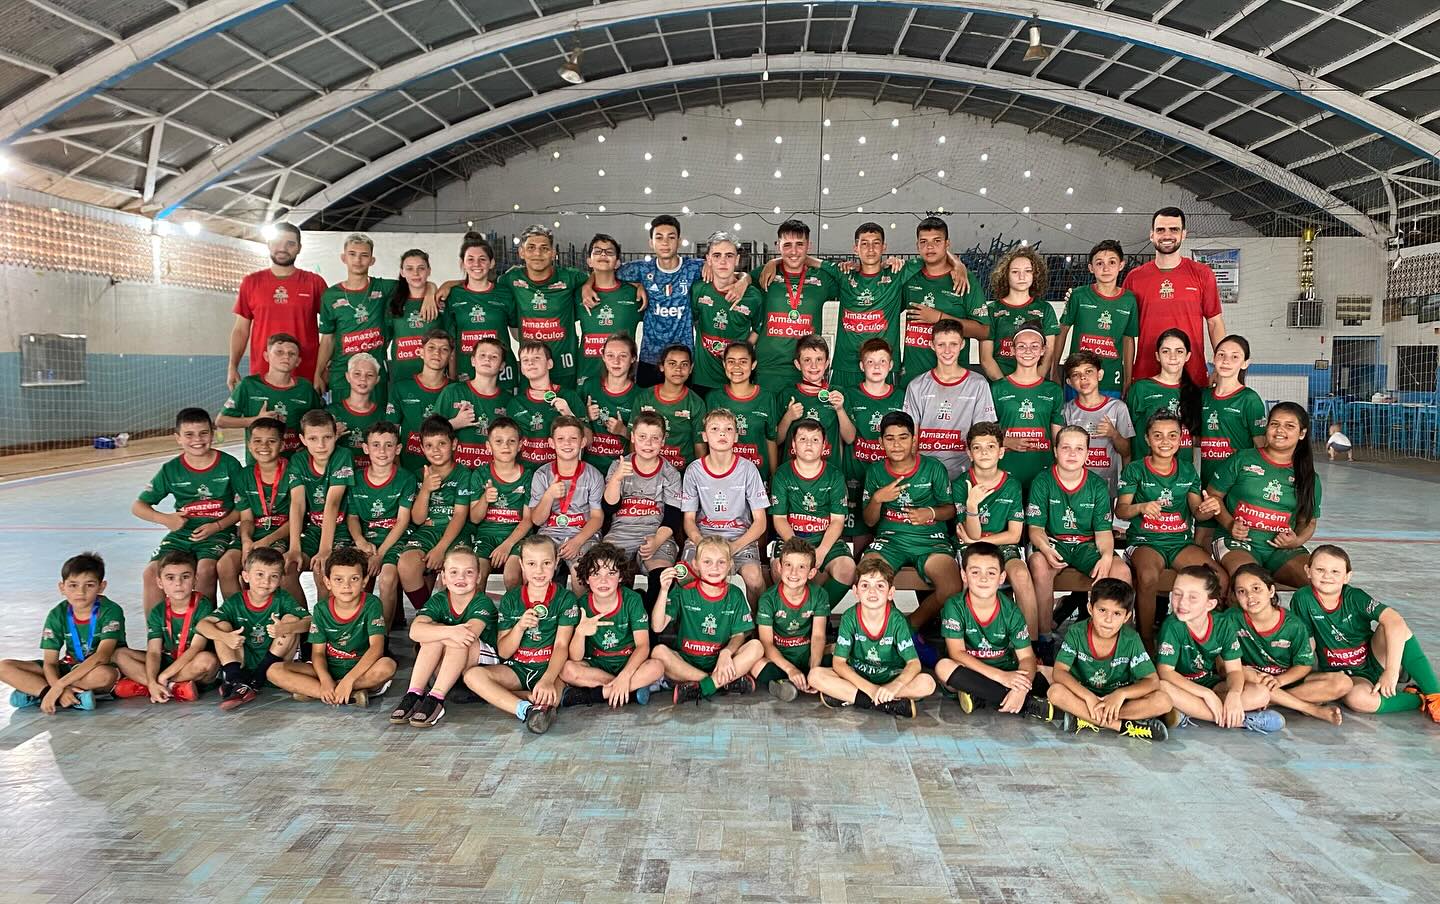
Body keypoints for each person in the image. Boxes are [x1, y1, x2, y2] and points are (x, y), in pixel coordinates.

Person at [757, 222, 965, 388]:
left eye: (876, 243)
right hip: (845, 367)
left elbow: (933, 254)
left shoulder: (896, 272)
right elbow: (807, 260)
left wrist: (958, 264)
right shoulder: (843, 273)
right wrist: (773, 262)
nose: (871, 249)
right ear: (855, 248)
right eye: (864, 243)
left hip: (883, 367)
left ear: (884, 247)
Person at [1290, 545, 1440, 720]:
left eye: (1335, 571)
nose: (1327, 576)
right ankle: (1417, 698)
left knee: (1393, 625)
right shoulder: (1303, 598)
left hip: (1374, 659)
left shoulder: (1355, 597)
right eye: (1320, 569)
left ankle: (1435, 695)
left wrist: (1390, 671)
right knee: (1359, 700)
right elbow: (1308, 643)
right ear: (1308, 571)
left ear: (1347, 577)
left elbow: (1395, 621)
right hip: (1342, 673)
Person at [1114, 411, 1220, 648]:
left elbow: (1197, 511)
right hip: (1145, 541)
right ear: (1147, 439)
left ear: (1181, 439)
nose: (1165, 441)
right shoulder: (1135, 470)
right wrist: (1141, 507)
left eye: (1172, 435)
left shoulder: (1188, 470)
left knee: (1218, 577)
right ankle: (1146, 641)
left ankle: (1209, 641)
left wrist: (1210, 507)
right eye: (1158, 435)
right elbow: (1121, 511)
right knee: (1148, 576)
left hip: (1180, 543)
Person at [606, 216, 751, 387]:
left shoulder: (695, 268)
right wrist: (638, 284)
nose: (665, 243)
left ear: (680, 241)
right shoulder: (641, 270)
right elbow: (607, 271)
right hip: (650, 358)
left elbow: (728, 271)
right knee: (647, 411)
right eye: (659, 237)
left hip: (682, 361)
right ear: (651, 243)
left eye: (671, 237)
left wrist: (744, 280)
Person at [461, 535, 580, 734]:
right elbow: (505, 652)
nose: (539, 571)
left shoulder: (565, 599)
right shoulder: (511, 599)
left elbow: (561, 646)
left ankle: (521, 699)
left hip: (550, 668)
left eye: (546, 563)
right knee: (472, 676)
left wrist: (548, 679)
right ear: (522, 565)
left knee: (551, 697)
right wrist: (519, 627)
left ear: (557, 563)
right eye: (532, 564)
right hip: (518, 668)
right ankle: (524, 708)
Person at [132, 407, 246, 614]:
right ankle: (157, 638)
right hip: (182, 534)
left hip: (219, 532)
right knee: (151, 573)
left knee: (205, 570)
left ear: (212, 434)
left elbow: (244, 508)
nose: (197, 440)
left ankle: (203, 632)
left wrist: (217, 525)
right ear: (177, 438)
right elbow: (138, 507)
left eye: (203, 433)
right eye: (189, 434)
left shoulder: (229, 464)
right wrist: (166, 519)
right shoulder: (171, 469)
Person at [860, 411, 963, 630]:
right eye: (890, 438)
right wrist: (878, 499)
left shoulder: (933, 467)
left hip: (929, 539)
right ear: (880, 442)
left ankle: (909, 628)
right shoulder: (875, 471)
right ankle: (891, 626)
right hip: (891, 540)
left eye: (903, 437)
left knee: (952, 586)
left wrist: (931, 513)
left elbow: (951, 509)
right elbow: (869, 521)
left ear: (914, 440)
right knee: (868, 576)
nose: (896, 444)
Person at [1026, 426, 1132, 637]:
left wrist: (1106, 556)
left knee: (1121, 571)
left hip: (1086, 545)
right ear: (1055, 451)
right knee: (1038, 563)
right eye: (1066, 447)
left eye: (1079, 448)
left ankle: (1122, 641)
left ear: (1087, 453)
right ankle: (1043, 638)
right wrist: (1045, 549)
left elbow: (1103, 533)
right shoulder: (1042, 481)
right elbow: (1035, 529)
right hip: (1054, 542)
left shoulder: (1097, 485)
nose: (1072, 454)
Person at [1155, 566, 1284, 733]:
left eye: (1193, 597)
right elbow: (1166, 673)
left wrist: (1234, 695)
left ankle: (1189, 711)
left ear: (1210, 603)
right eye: (1177, 594)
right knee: (1162, 688)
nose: (1182, 603)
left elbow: (1234, 671)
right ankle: (1243, 720)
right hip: (1179, 685)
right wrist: (1206, 695)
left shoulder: (1223, 624)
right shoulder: (1172, 625)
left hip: (1209, 683)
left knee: (1261, 693)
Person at [933, 543, 1054, 721]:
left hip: (1005, 667)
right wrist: (1002, 678)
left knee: (1053, 674)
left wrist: (1019, 688)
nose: (983, 579)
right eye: (975, 572)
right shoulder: (955, 606)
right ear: (963, 575)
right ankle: (1028, 704)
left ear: (1002, 577)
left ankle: (981, 694)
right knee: (943, 667)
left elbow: (1027, 658)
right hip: (972, 669)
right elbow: (956, 653)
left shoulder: (1011, 611)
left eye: (991, 573)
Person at [1207, 402, 1321, 586]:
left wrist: (1296, 540)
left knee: (1318, 581)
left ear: (1302, 433)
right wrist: (1229, 524)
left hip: (1280, 550)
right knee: (1250, 581)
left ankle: (1289, 616)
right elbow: (1213, 496)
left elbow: (1308, 521)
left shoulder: (1309, 477)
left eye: (1289, 426)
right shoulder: (1242, 459)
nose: (1279, 430)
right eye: (1274, 424)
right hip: (1236, 542)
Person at [266, 547, 396, 707]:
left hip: (361, 668)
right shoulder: (321, 609)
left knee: (387, 666)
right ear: (328, 582)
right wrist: (325, 679)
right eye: (338, 580)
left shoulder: (371, 604)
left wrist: (349, 680)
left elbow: (377, 648)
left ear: (364, 581)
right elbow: (318, 653)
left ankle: (321, 691)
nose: (346, 586)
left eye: (354, 579)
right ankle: (350, 694)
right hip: (329, 667)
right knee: (274, 671)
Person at [808, 557, 936, 717]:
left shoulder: (897, 620)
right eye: (865, 585)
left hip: (891, 677)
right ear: (855, 591)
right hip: (859, 679)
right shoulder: (849, 617)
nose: (872, 591)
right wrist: (872, 690)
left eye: (880, 586)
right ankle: (889, 704)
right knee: (815, 676)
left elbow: (914, 663)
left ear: (891, 593)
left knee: (927, 683)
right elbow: (839, 663)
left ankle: (852, 697)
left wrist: (894, 686)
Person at [1047, 579, 1171, 740]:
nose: (1108, 619)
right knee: (1055, 692)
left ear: (1127, 616)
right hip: (1084, 695)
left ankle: (1084, 718)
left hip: (1118, 701)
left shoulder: (1131, 639)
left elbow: (1152, 681)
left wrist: (1120, 694)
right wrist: (1088, 697)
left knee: (1164, 701)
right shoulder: (1076, 632)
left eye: (1117, 613)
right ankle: (1122, 726)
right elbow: (1059, 672)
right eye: (1102, 610)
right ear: (1090, 608)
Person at [1, 552, 123, 713]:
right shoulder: (57, 614)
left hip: (96, 668)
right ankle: (62, 696)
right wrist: (58, 687)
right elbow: (50, 663)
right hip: (68, 666)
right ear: (62, 587)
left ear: (101, 586)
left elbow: (102, 656)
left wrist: (58, 685)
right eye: (73, 585)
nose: (81, 592)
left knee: (105, 675)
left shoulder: (110, 610)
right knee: (3, 667)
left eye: (90, 585)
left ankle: (37, 691)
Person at [392, 546, 497, 728]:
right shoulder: (439, 599)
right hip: (450, 659)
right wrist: (447, 631)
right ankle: (414, 693)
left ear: (479, 577)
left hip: (483, 660)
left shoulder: (482, 602)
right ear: (444, 577)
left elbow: (468, 635)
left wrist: (438, 631)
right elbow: (414, 631)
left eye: (469, 572)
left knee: (452, 639)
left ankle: (437, 698)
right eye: (454, 572)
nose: (461, 578)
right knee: (434, 637)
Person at [651, 536, 764, 703]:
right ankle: (720, 682)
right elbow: (657, 626)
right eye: (707, 562)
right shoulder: (683, 590)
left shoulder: (734, 594)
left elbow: (739, 635)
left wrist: (726, 653)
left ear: (730, 565)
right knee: (658, 652)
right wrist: (664, 591)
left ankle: (701, 687)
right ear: (696, 564)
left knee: (756, 647)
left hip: (722, 662)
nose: (715, 568)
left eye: (721, 562)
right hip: (687, 663)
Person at [1232, 563, 1346, 724]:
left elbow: (1304, 665)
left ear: (1271, 591)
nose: (1250, 596)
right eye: (1241, 591)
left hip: (1285, 681)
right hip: (1253, 682)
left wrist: (1280, 681)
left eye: (1256, 589)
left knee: (1343, 683)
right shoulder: (1231, 619)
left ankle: (1271, 701)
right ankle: (1310, 708)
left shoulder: (1293, 625)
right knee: (1242, 672)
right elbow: (1226, 666)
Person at [198, 547, 310, 711]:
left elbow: (310, 621)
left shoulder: (282, 598)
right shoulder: (236, 601)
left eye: (273, 576)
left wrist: (287, 627)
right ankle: (235, 678)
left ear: (280, 580)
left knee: (291, 620)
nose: (266, 582)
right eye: (260, 574)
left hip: (274, 666)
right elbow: (202, 625)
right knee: (221, 627)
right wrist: (225, 637)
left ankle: (255, 681)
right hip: (243, 663)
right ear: (246, 576)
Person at [1123, 207, 1225, 387]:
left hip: (1192, 377)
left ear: (1184, 234)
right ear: (1151, 235)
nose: (1167, 235)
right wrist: (1127, 377)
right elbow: (1124, 331)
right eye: (1160, 230)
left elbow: (1214, 323)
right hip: (1146, 376)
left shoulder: (1203, 274)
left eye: (1174, 229)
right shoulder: (1134, 278)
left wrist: (1220, 367)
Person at [956, 422, 1039, 639]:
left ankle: (1033, 644)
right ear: (969, 453)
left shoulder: (1011, 484)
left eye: (991, 447)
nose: (984, 452)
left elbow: (1014, 535)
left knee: (1021, 575)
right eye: (977, 447)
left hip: (1002, 545)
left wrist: (978, 542)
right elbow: (971, 536)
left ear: (1001, 452)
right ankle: (967, 643)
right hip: (969, 546)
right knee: (969, 578)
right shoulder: (960, 484)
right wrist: (972, 507)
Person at [681, 409, 771, 605]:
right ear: (704, 436)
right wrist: (702, 544)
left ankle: (759, 627)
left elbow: (760, 522)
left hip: (738, 538)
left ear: (736, 436)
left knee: (755, 578)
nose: (722, 434)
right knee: (683, 575)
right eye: (714, 429)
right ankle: (689, 627)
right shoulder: (694, 470)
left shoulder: (748, 469)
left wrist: (733, 547)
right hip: (704, 536)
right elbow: (688, 520)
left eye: (728, 429)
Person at [559, 542, 665, 707]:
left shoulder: (632, 600)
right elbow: (576, 657)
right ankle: (628, 692)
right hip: (597, 664)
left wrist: (624, 676)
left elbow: (643, 646)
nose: (604, 580)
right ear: (586, 578)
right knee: (566, 670)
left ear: (621, 576)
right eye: (595, 574)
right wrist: (580, 633)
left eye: (611, 573)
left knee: (656, 667)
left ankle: (597, 695)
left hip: (628, 662)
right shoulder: (581, 604)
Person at [228, 222, 329, 389]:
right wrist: (232, 366)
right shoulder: (251, 282)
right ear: (268, 245)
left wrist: (322, 369)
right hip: (262, 375)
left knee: (308, 417)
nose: (282, 248)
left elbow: (331, 331)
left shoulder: (314, 283)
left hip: (306, 376)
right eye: (277, 242)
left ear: (299, 248)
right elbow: (240, 329)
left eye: (290, 243)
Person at [112, 550, 219, 703]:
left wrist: (163, 676)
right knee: (119, 654)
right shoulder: (158, 611)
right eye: (170, 578)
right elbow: (154, 652)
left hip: (191, 665)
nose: (178, 583)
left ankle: (155, 686)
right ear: (160, 582)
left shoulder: (203, 605)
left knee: (207, 660)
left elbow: (196, 648)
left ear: (195, 580)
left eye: (185, 576)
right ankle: (165, 687)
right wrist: (154, 679)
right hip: (167, 661)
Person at [600, 412, 683, 608]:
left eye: (655, 438)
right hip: (620, 534)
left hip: (655, 534)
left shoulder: (670, 473)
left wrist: (657, 541)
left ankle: (649, 629)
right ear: (633, 437)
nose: (648, 443)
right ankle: (625, 618)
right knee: (604, 571)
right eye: (642, 437)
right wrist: (617, 479)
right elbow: (609, 507)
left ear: (663, 441)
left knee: (662, 576)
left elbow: (673, 517)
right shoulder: (619, 466)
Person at [769, 418, 855, 604]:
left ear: (824, 445)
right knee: (780, 569)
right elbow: (780, 519)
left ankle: (818, 614)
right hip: (792, 538)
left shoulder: (834, 476)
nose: (809, 444)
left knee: (847, 569)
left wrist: (822, 551)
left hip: (824, 538)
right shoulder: (783, 474)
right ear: (793, 444)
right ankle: (793, 622)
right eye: (802, 439)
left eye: (815, 440)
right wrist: (798, 549)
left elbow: (837, 521)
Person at [344, 421, 417, 633]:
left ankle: (381, 636)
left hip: (395, 540)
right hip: (366, 540)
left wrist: (380, 553)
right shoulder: (356, 479)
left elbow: (403, 521)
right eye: (375, 445)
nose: (382, 451)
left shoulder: (406, 478)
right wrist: (361, 542)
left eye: (388, 445)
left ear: (398, 449)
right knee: (353, 576)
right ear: (365, 448)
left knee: (387, 577)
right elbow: (353, 518)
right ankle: (355, 633)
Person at [902, 318, 996, 479]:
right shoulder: (917, 385)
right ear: (932, 345)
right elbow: (911, 436)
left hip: (963, 473)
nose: (947, 350)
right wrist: (913, 475)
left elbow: (983, 434)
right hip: (925, 474)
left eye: (953, 344)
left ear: (962, 345)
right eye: (941, 345)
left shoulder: (978, 384)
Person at [899, 216, 988, 388]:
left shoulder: (964, 280)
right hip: (912, 381)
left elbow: (984, 331)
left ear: (947, 245)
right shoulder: (910, 275)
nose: (929, 247)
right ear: (917, 245)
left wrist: (939, 317)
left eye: (937, 241)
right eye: (923, 242)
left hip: (953, 383)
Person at [395, 416, 473, 609]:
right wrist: (426, 490)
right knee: (406, 564)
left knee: (457, 567)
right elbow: (418, 518)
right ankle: (427, 613)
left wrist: (440, 549)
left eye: (441, 444)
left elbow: (460, 515)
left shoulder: (464, 473)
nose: (435, 450)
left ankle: (452, 616)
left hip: (455, 532)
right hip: (427, 531)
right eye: (429, 445)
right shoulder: (417, 475)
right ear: (422, 448)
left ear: (453, 444)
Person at [494, 224, 587, 385]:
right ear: (521, 252)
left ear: (553, 253)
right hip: (530, 372)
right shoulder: (510, 280)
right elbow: (479, 284)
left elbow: (600, 277)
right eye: (531, 248)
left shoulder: (570, 278)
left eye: (544, 248)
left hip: (565, 370)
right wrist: (446, 286)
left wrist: (588, 286)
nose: (537, 253)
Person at [751, 219, 839, 387]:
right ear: (778, 246)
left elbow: (846, 279)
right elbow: (740, 279)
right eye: (787, 245)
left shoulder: (822, 279)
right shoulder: (765, 274)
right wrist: (771, 263)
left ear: (809, 246)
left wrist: (812, 261)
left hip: (806, 370)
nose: (793, 251)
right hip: (768, 370)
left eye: (800, 244)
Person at [1198, 334, 1266, 546]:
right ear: (1213, 359)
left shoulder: (1249, 399)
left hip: (1237, 484)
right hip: (1208, 481)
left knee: (1234, 540)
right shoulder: (1204, 397)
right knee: (1201, 541)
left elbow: (1261, 446)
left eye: (1234, 357)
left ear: (1245, 363)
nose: (1226, 361)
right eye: (1222, 355)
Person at [315, 233, 398, 399]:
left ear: (372, 260)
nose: (358, 260)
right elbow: (328, 338)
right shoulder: (330, 295)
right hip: (341, 374)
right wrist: (318, 372)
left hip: (373, 374)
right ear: (343, 258)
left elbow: (417, 283)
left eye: (364, 255)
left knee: (375, 423)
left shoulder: (384, 287)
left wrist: (432, 289)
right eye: (352, 254)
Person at [235, 417, 307, 605]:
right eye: (257, 441)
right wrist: (246, 541)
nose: (264, 446)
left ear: (282, 445)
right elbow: (246, 518)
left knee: (279, 570)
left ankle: (301, 621)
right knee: (231, 566)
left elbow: (297, 516)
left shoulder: (293, 470)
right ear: (249, 445)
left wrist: (266, 541)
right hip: (256, 534)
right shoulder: (244, 475)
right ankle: (244, 618)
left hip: (283, 534)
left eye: (271, 441)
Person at [217, 332, 323, 460]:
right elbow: (221, 421)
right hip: (259, 463)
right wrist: (255, 420)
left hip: (295, 463)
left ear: (298, 361)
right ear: (266, 356)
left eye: (292, 353)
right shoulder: (249, 385)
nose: (286, 357)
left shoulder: (305, 388)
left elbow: (319, 421)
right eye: (279, 352)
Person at [529, 415, 607, 590]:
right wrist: (549, 495)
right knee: (537, 573)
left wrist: (577, 541)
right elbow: (536, 520)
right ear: (551, 443)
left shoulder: (593, 475)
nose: (567, 443)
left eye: (573, 439)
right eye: (561, 439)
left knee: (581, 575)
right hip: (548, 535)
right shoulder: (542, 474)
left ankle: (580, 615)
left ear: (582, 442)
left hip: (582, 534)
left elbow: (597, 517)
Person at [1053, 240, 1138, 397]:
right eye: (1099, 263)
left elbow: (1128, 340)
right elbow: (1062, 330)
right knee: (1073, 421)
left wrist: (1127, 380)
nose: (1106, 268)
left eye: (1112, 262)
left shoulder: (1129, 300)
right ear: (1091, 268)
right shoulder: (1078, 295)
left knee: (1108, 422)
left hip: (1112, 380)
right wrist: (1054, 371)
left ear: (1121, 265)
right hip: (1079, 380)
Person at [751, 538, 832, 701]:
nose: (794, 573)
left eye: (801, 567)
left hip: (807, 654)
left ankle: (803, 680)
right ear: (779, 568)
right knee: (755, 665)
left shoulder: (819, 595)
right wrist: (790, 669)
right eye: (788, 565)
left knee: (839, 654)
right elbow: (766, 643)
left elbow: (818, 636)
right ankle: (787, 680)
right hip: (779, 657)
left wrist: (814, 669)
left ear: (811, 573)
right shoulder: (768, 599)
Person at [282, 409, 356, 584]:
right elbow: (297, 504)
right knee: (287, 571)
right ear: (302, 440)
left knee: (322, 571)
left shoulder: (343, 456)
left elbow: (332, 503)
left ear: (335, 436)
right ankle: (301, 613)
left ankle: (324, 612)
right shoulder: (298, 461)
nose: (321, 445)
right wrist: (294, 548)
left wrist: (325, 549)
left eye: (327, 437)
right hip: (313, 529)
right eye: (313, 439)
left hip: (341, 529)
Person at [989, 321, 1065, 488]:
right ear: (1013, 350)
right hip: (1004, 473)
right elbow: (984, 434)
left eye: (1034, 346)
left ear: (1043, 350)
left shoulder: (1053, 390)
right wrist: (1005, 441)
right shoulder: (997, 388)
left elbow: (1057, 439)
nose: (1028, 351)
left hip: (1043, 474)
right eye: (1022, 346)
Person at [691, 232, 763, 393]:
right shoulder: (698, 289)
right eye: (717, 256)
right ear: (708, 260)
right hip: (703, 379)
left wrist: (741, 350)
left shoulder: (753, 296)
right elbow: (693, 321)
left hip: (737, 380)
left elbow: (759, 328)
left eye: (729, 255)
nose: (723, 261)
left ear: (737, 260)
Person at [444, 232, 516, 390]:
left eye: (482, 259)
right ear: (462, 263)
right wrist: (452, 374)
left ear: (491, 263)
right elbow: (451, 343)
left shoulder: (505, 293)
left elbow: (518, 333)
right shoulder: (452, 295)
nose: (476, 264)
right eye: (470, 259)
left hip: (502, 373)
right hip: (466, 372)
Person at [468, 417, 534, 592]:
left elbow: (528, 520)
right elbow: (474, 518)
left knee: (512, 576)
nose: (505, 446)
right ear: (488, 446)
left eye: (511, 441)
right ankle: (480, 616)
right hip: (486, 536)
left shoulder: (528, 476)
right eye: (498, 441)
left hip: (517, 536)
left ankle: (514, 616)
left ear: (520, 445)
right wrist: (484, 499)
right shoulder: (480, 475)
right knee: (477, 576)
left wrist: (507, 544)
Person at [979, 246, 1059, 380]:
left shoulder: (1045, 309)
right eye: (1015, 272)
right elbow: (986, 358)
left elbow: (1048, 354)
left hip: (1034, 386)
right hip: (1000, 385)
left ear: (1035, 275)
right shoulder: (992, 310)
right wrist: (1004, 386)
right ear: (1006, 275)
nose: (1022, 276)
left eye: (1028, 271)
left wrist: (1033, 383)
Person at [1061, 350, 1134, 495]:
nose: (1083, 378)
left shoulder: (1118, 407)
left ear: (1099, 375)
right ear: (1069, 382)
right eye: (1076, 374)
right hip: (1073, 488)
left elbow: (1126, 452)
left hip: (1106, 488)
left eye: (1089, 371)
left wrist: (1113, 434)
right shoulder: (1066, 411)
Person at [435, 335, 513, 469]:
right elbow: (428, 434)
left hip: (490, 476)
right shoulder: (452, 391)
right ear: (473, 361)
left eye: (494, 356)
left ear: (502, 366)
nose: (487, 359)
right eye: (482, 355)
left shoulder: (509, 400)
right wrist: (454, 424)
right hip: (455, 476)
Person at [576, 233, 643, 390]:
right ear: (589, 261)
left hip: (623, 379)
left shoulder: (634, 294)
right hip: (587, 373)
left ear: (618, 263)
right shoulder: (578, 293)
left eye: (609, 252)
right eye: (597, 251)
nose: (603, 254)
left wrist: (640, 285)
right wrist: (587, 285)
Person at [776, 334, 855, 463]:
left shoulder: (837, 393)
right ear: (797, 364)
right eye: (807, 360)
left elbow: (850, 438)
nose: (814, 366)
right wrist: (788, 417)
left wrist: (840, 410)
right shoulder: (788, 394)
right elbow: (776, 440)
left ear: (827, 363)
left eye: (819, 359)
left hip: (828, 473)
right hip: (793, 473)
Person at [509, 339, 588, 468]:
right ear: (522, 369)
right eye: (525, 360)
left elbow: (588, 439)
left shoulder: (569, 396)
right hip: (528, 478)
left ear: (549, 363)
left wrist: (569, 414)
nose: (530, 363)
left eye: (536, 358)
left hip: (561, 474)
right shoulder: (515, 403)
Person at [1125, 329, 1202, 460]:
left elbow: (1197, 438)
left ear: (1187, 356)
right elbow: (1126, 437)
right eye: (1166, 351)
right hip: (1145, 473)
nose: (1173, 357)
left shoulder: (1195, 392)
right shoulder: (1141, 388)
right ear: (1157, 356)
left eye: (1179, 351)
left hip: (1181, 475)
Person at [386, 328, 454, 473]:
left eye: (444, 349)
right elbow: (390, 432)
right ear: (421, 352)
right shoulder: (401, 388)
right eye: (431, 348)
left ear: (450, 356)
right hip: (409, 469)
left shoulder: (456, 390)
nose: (437, 353)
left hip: (446, 474)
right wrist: (397, 469)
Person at [709, 341, 779, 476]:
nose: (736, 367)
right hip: (724, 476)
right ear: (724, 364)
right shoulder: (713, 398)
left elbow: (771, 439)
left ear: (753, 364)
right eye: (731, 361)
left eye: (743, 362)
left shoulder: (767, 397)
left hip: (758, 475)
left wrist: (773, 476)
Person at [634, 343, 707, 469]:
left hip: (681, 470)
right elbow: (634, 438)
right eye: (672, 363)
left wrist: (699, 474)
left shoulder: (696, 403)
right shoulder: (644, 397)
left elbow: (699, 444)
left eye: (684, 364)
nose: (678, 369)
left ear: (691, 368)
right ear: (662, 366)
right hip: (648, 470)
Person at [387, 249, 450, 389]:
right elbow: (385, 339)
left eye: (421, 268)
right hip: (402, 377)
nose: (415, 273)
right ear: (402, 272)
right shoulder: (393, 303)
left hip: (435, 379)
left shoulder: (440, 302)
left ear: (429, 271)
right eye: (409, 269)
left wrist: (432, 290)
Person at [582, 333, 638, 474]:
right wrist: (584, 416)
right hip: (588, 468)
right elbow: (569, 425)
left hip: (621, 470)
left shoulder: (640, 396)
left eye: (623, 356)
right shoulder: (588, 386)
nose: (616, 361)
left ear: (633, 358)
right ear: (603, 357)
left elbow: (647, 439)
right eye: (610, 355)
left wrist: (623, 431)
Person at [327, 353, 386, 469]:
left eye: (369, 375)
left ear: (377, 380)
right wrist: (330, 437)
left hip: (372, 476)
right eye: (357, 374)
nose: (363, 379)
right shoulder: (331, 412)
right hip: (340, 476)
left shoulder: (384, 414)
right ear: (348, 377)